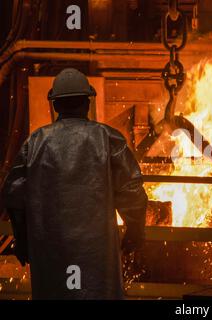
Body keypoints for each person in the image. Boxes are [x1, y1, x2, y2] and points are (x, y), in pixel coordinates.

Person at [1, 68, 148, 299]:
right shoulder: (107, 138)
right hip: (97, 252)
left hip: (50, 250)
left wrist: (22, 240)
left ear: (55, 105)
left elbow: (13, 195)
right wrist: (135, 232)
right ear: (88, 102)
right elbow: (132, 192)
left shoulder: (36, 142)